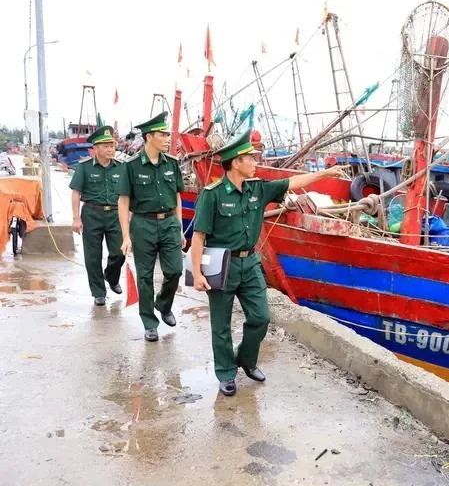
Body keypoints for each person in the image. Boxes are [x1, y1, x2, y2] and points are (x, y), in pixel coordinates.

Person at [189, 129, 345, 396]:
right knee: (221, 325)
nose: (254, 162)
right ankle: (226, 373)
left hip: (249, 264)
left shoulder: (257, 189)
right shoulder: (212, 194)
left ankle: (246, 361)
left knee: (261, 317)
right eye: (250, 158)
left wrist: (324, 174)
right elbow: (198, 236)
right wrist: (197, 273)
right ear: (235, 163)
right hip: (220, 264)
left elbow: (292, 183)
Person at [118, 112, 185, 342]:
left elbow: (176, 196)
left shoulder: (172, 164)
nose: (167, 138)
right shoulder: (132, 166)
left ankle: (163, 304)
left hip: (168, 223)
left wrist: (179, 226)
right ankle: (149, 322)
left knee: (175, 270)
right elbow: (123, 201)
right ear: (148, 138)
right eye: (162, 134)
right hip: (142, 224)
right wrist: (126, 236)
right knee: (145, 276)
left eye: (168, 134)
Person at [69, 126, 126, 306]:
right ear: (96, 148)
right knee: (92, 256)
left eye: (112, 145)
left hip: (115, 214)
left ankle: (111, 276)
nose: (111, 149)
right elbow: (76, 193)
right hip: (92, 214)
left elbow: (127, 195)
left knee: (120, 252)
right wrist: (76, 218)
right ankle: (98, 292)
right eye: (106, 146)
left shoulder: (122, 167)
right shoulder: (84, 167)